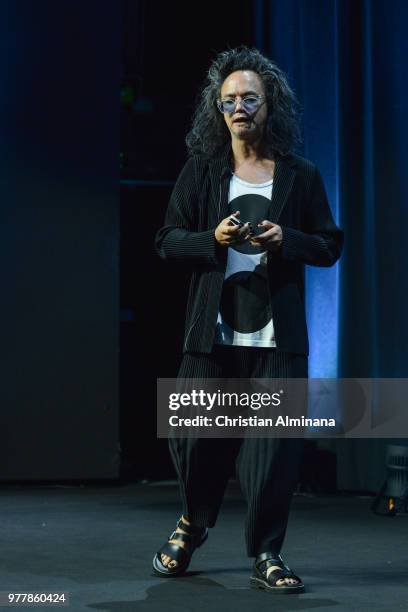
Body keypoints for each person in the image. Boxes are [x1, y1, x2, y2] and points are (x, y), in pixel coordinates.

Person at [153, 46, 343, 594]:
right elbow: (166, 240)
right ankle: (192, 523)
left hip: (275, 339)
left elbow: (329, 245)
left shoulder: (299, 176)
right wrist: (211, 240)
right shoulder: (203, 171)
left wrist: (289, 239)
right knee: (192, 443)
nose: (240, 108)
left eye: (250, 99)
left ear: (269, 105)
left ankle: (266, 553)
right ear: (218, 109)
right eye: (230, 100)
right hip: (209, 336)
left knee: (271, 455)